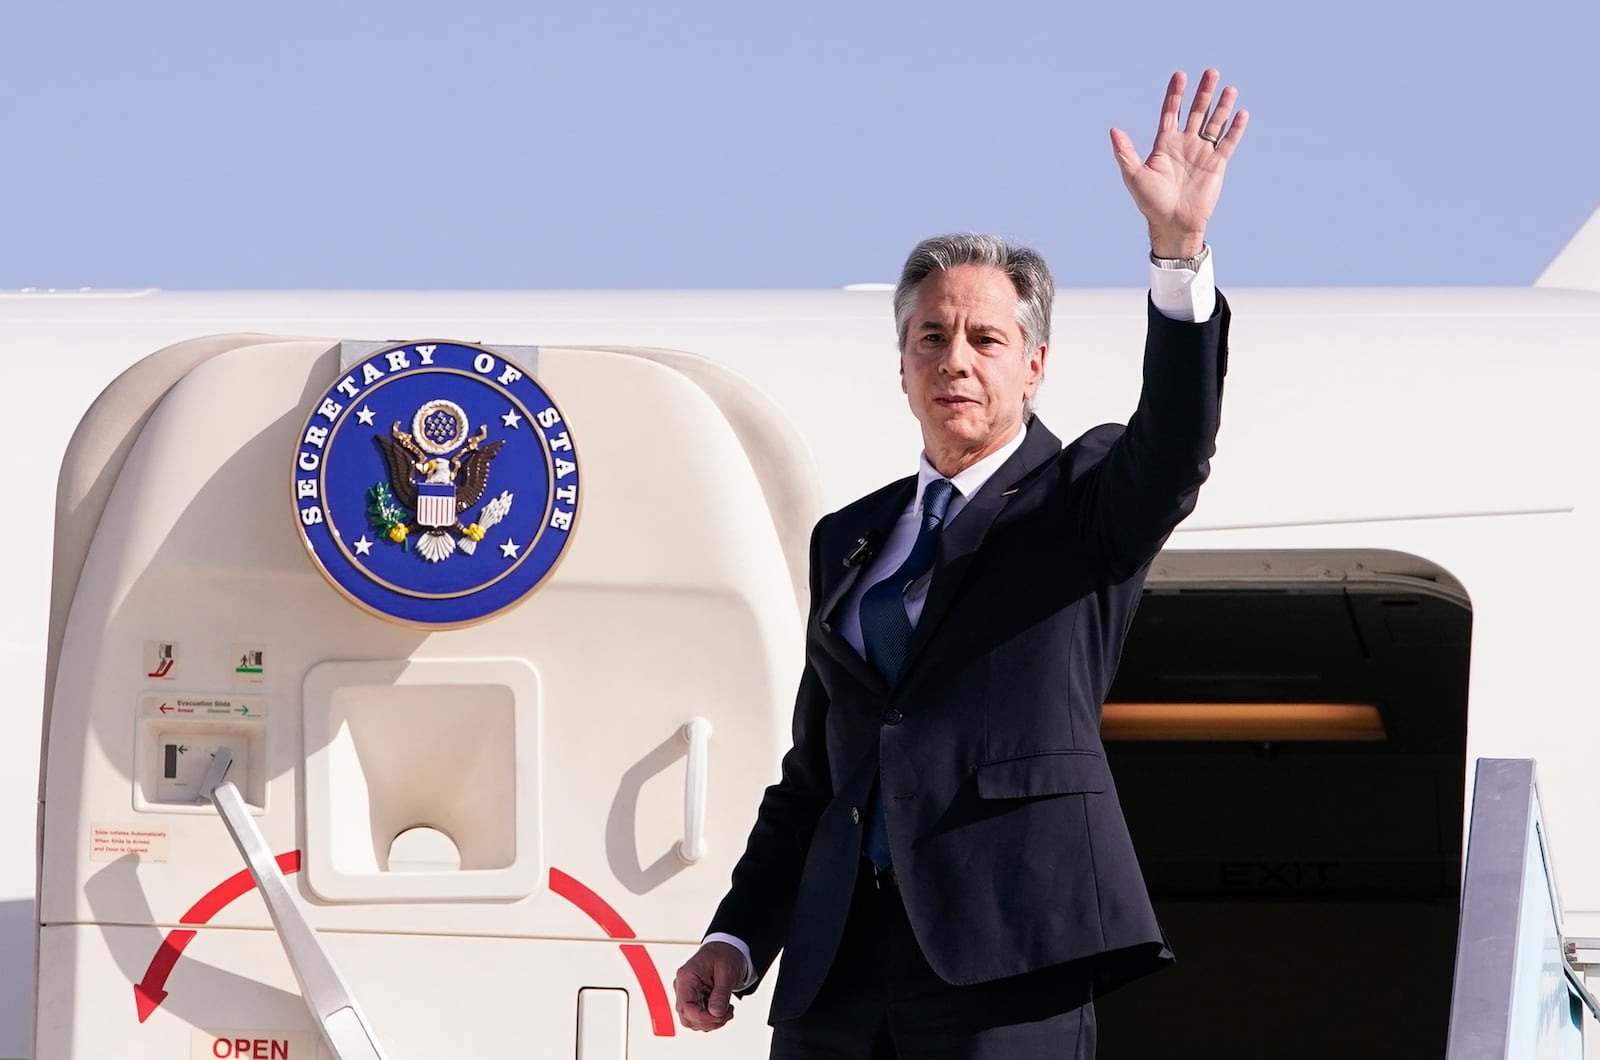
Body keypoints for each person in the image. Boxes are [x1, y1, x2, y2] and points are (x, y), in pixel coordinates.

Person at [674, 68, 1247, 1058]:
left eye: (985, 338)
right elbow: (818, 772)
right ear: (901, 366)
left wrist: (1177, 253)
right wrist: (739, 930)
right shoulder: (849, 538)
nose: (955, 360)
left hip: (1005, 950)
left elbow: (1176, 444)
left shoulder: (1084, 496)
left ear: (1034, 364)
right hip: (836, 973)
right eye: (930, 338)